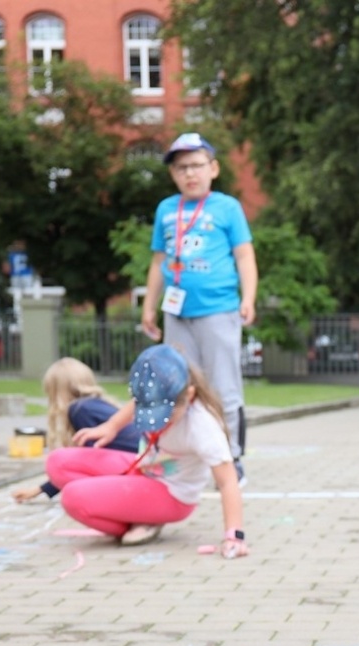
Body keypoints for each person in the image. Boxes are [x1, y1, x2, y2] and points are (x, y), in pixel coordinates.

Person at [47, 344, 248, 556]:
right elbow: (134, 403)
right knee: (57, 462)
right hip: (143, 468)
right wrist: (111, 426)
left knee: (72, 497)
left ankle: (146, 520)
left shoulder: (202, 426)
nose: (155, 422)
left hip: (171, 494)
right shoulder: (154, 393)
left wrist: (234, 536)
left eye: (164, 414)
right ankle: (137, 516)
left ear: (189, 395)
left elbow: (228, 481)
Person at [140, 132, 258, 484]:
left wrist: (248, 296)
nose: (190, 174)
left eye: (196, 166)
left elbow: (244, 254)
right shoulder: (166, 209)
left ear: (213, 168)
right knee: (177, 387)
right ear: (173, 174)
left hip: (218, 309)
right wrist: (149, 306)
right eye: (181, 168)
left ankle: (232, 458)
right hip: (177, 312)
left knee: (224, 387)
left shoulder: (227, 208)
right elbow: (158, 259)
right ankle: (190, 458)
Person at [12, 358, 142, 503]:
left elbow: (89, 462)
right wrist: (40, 490)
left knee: (60, 461)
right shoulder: (94, 404)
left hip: (139, 466)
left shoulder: (79, 410)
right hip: (142, 460)